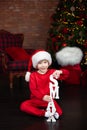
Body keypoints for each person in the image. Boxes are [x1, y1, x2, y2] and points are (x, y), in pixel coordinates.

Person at [20, 50, 69, 119]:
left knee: (59, 111)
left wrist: (60, 71)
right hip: (36, 99)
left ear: (48, 63)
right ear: (36, 65)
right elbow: (33, 89)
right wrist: (42, 97)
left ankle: (54, 113)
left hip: (49, 100)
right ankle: (44, 113)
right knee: (24, 105)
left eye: (45, 62)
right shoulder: (33, 75)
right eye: (40, 63)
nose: (43, 65)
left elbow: (67, 74)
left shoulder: (52, 72)